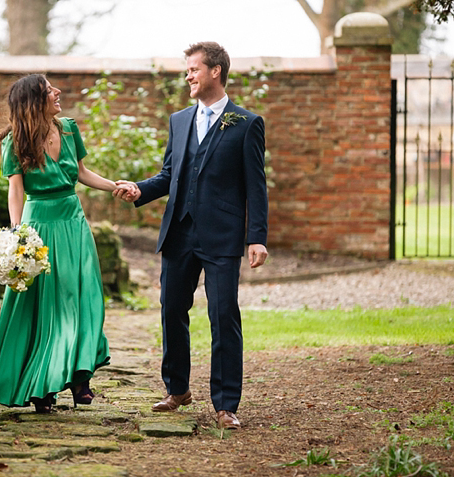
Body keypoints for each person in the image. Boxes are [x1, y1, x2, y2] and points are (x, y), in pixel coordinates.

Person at [114, 42, 269, 429]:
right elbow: (170, 174)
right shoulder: (179, 120)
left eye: (194, 69)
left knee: (223, 316)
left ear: (215, 71)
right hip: (179, 232)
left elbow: (256, 186)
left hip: (222, 236)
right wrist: (139, 189)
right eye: (187, 70)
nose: (188, 76)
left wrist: (257, 237)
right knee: (171, 311)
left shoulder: (246, 123)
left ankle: (225, 405)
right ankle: (177, 389)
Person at [0, 74, 130, 414]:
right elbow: (16, 189)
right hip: (39, 225)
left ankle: (78, 375)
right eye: (49, 90)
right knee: (45, 306)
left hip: (73, 222)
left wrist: (115, 186)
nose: (57, 92)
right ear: (34, 100)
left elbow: (81, 172)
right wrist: (17, 235)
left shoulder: (70, 129)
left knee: (83, 298)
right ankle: (42, 384)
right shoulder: (15, 140)